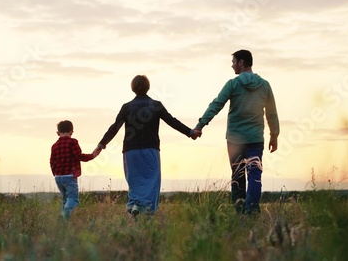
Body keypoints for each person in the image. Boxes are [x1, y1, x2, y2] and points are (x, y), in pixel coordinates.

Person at [95, 75, 200, 218]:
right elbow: (172, 121)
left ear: (133, 88)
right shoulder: (156, 105)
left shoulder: (126, 107)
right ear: (148, 87)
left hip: (130, 151)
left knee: (134, 182)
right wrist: (190, 132)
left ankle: (134, 206)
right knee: (151, 182)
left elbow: (114, 128)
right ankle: (146, 214)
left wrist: (102, 144)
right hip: (151, 149)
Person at [194, 49, 279, 215]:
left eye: (233, 62)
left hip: (235, 141)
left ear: (241, 62)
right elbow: (272, 113)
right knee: (254, 175)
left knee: (238, 175)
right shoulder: (265, 85)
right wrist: (274, 136)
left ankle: (240, 211)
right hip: (255, 139)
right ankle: (252, 211)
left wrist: (200, 125)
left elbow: (216, 104)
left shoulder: (233, 84)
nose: (232, 65)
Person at [50, 120, 100, 219]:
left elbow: (52, 161)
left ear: (58, 133)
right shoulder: (73, 142)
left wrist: (55, 173)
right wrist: (92, 156)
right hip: (69, 176)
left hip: (58, 177)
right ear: (71, 132)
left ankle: (64, 221)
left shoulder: (54, 146)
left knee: (65, 199)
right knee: (73, 199)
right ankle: (64, 214)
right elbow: (78, 156)